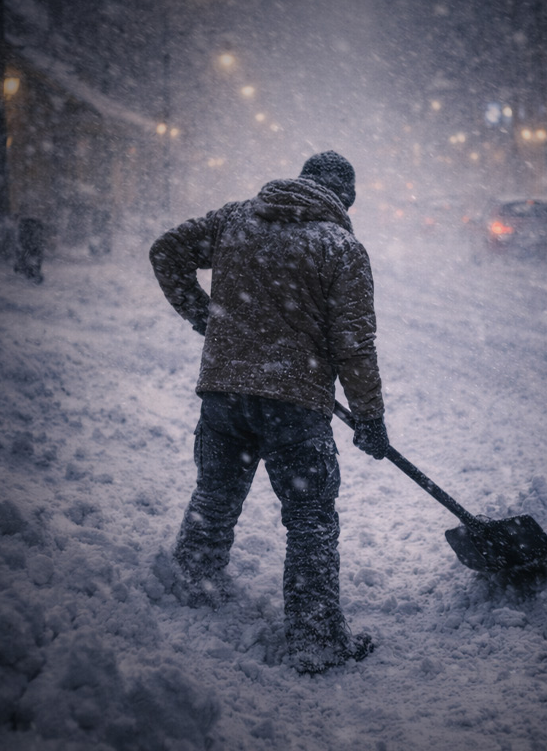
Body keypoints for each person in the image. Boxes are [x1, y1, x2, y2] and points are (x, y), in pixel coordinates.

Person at [149, 151, 389, 673]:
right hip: (294, 407)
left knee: (214, 499)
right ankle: (316, 641)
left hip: (225, 396)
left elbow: (166, 251)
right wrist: (369, 417)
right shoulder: (340, 246)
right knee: (310, 522)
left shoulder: (237, 219)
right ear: (345, 199)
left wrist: (207, 321)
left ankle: (190, 590)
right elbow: (354, 343)